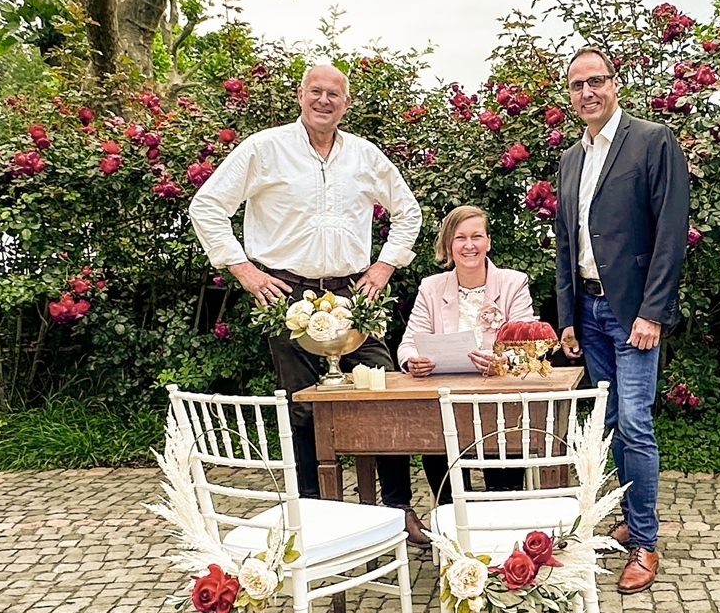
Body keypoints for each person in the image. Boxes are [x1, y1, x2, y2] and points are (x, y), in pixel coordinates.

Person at [189, 63, 430, 545]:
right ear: (300, 96)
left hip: (351, 293)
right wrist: (245, 270)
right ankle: (316, 520)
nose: (324, 100)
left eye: (334, 94)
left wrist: (383, 266)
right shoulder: (264, 149)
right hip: (286, 293)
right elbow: (207, 207)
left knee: (383, 395)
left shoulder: (365, 155)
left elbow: (408, 212)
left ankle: (399, 511)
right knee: (303, 409)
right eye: (316, 91)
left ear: (346, 102)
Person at [555, 46, 690, 594]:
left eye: (597, 81)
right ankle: (628, 516)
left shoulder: (652, 141)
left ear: (616, 83)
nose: (587, 93)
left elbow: (671, 232)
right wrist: (566, 317)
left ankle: (644, 543)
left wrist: (652, 311)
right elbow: (566, 244)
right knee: (605, 426)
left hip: (632, 311)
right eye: (576, 86)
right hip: (587, 312)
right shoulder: (570, 160)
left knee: (635, 422)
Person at [397, 205, 530, 504]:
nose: (469, 245)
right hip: (446, 403)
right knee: (441, 459)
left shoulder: (513, 283)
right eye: (460, 238)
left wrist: (503, 361)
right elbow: (408, 344)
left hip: (499, 404)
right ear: (449, 245)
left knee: (503, 494)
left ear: (488, 242)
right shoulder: (431, 287)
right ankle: (452, 519)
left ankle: (501, 521)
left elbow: (527, 344)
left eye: (476, 236)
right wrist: (412, 361)